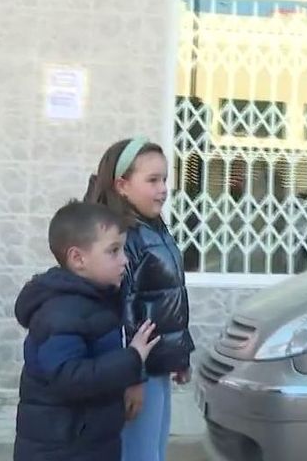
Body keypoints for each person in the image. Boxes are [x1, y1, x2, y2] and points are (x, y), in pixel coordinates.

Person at [13, 201, 160, 461]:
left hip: (86, 444)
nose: (124, 260)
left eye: (123, 249)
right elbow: (70, 378)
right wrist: (133, 358)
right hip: (62, 450)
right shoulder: (61, 311)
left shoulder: (95, 301)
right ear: (78, 259)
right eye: (113, 251)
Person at [85, 137, 195, 461]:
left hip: (155, 366)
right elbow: (124, 309)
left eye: (164, 180)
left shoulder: (154, 228)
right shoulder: (124, 237)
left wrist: (178, 355)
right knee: (139, 454)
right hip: (137, 372)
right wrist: (132, 376)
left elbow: (168, 299)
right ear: (122, 185)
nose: (162, 189)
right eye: (152, 180)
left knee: (153, 452)